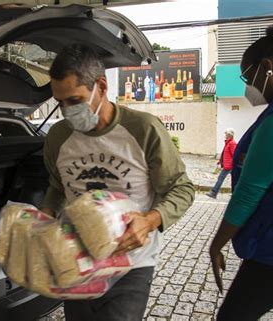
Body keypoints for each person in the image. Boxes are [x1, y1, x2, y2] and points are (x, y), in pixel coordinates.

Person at [40, 44, 195, 321]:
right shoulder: (58, 137)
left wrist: (150, 221)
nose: (67, 111)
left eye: (75, 101)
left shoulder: (143, 129)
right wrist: (45, 217)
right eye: (60, 103)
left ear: (101, 86)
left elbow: (181, 189)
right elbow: (56, 187)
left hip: (131, 265)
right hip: (78, 262)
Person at [210, 24, 273, 321]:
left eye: (248, 77)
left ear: (267, 68)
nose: (248, 87)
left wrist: (217, 244)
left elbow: (249, 192)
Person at [206, 128, 237, 199]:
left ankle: (214, 192)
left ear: (229, 135)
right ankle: (234, 193)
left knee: (221, 178)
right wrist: (220, 161)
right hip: (228, 165)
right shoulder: (228, 142)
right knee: (235, 179)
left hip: (229, 166)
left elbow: (235, 155)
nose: (225, 135)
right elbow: (224, 154)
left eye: (226, 133)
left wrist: (230, 164)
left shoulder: (232, 143)